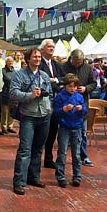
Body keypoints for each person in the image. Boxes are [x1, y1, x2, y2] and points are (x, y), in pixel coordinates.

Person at [10, 47, 53, 196]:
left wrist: (48, 104)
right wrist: (30, 95)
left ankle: (34, 177)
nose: (37, 59)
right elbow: (13, 93)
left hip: (44, 115)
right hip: (28, 115)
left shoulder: (44, 76)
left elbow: (50, 93)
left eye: (39, 57)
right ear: (28, 59)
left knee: (38, 149)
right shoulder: (19, 75)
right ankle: (19, 181)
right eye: (35, 57)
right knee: (25, 149)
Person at [62, 49, 96, 167]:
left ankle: (83, 156)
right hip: (66, 105)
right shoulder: (64, 67)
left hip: (81, 105)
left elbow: (94, 83)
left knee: (82, 133)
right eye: (75, 62)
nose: (77, 64)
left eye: (79, 62)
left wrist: (86, 88)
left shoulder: (87, 68)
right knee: (64, 135)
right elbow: (60, 82)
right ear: (71, 58)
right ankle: (63, 157)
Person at [54, 73, 87, 188]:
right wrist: (63, 109)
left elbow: (85, 111)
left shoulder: (79, 97)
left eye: (74, 86)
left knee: (76, 154)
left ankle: (77, 176)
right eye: (70, 86)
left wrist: (81, 109)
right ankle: (60, 176)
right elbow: (56, 112)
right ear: (65, 86)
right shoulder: (60, 96)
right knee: (62, 153)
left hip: (77, 127)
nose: (72, 88)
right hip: (64, 127)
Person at [38, 39, 65, 169]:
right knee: (42, 130)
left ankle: (48, 157)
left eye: (53, 47)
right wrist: (53, 82)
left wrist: (55, 80)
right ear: (42, 49)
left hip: (56, 100)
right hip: (43, 101)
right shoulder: (39, 64)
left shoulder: (57, 64)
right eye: (49, 46)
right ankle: (36, 158)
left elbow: (65, 78)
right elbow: (42, 80)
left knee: (53, 129)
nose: (51, 48)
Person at [1, 56, 17, 134]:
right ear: (6, 62)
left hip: (13, 93)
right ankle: (4, 127)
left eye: (11, 61)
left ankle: (10, 126)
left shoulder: (15, 72)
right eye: (8, 61)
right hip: (5, 93)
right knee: (5, 111)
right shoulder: (3, 71)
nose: (10, 63)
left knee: (12, 111)